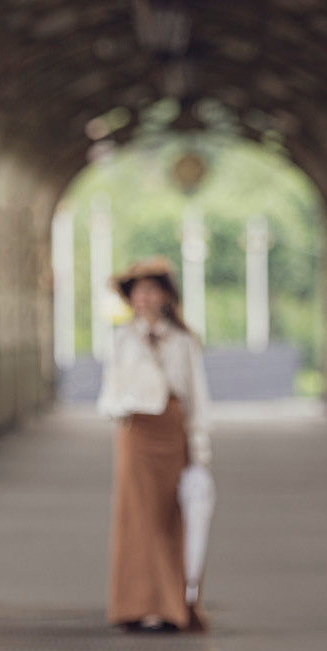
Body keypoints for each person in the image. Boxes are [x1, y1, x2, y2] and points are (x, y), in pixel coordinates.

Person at [97, 256, 211, 632]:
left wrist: (199, 449)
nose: (143, 299)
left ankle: (170, 605)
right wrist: (117, 408)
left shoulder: (182, 341)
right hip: (136, 432)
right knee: (136, 518)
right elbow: (109, 389)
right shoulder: (120, 338)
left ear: (165, 296)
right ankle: (136, 603)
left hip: (171, 430)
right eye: (137, 293)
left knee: (169, 517)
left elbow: (196, 396)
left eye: (150, 291)